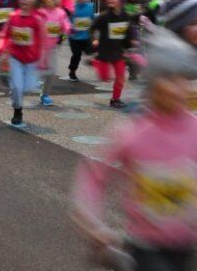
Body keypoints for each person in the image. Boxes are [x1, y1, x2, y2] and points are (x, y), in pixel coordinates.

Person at [72, 27, 197, 271]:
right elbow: (94, 177)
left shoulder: (194, 128)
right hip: (145, 245)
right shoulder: (131, 133)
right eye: (168, 78)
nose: (178, 87)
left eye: (183, 78)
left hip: (186, 244)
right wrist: (94, 224)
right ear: (153, 83)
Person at [1, 0, 44, 127]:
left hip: (32, 60)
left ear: (35, 1)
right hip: (16, 58)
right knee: (17, 88)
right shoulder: (13, 17)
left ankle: (16, 89)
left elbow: (42, 39)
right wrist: (5, 53)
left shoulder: (37, 19)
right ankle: (17, 111)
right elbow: (6, 36)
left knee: (27, 87)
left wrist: (42, 58)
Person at [90, 0, 134, 109]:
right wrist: (94, 39)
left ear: (121, 0)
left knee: (120, 77)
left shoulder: (126, 16)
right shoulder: (104, 17)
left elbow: (128, 32)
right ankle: (95, 62)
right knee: (105, 78)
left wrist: (131, 43)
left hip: (118, 52)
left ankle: (115, 99)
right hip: (104, 51)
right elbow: (92, 28)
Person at [38, 0, 71, 106]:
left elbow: (66, 24)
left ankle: (45, 94)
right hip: (37, 48)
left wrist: (69, 29)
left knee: (51, 72)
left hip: (52, 48)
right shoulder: (40, 12)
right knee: (37, 71)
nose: (56, 0)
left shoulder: (60, 12)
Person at [68, 0, 94, 82]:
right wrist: (70, 28)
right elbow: (66, 20)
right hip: (74, 38)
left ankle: (92, 60)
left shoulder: (90, 6)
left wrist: (94, 26)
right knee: (77, 55)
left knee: (90, 50)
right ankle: (72, 71)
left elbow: (92, 18)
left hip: (86, 36)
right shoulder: (72, 7)